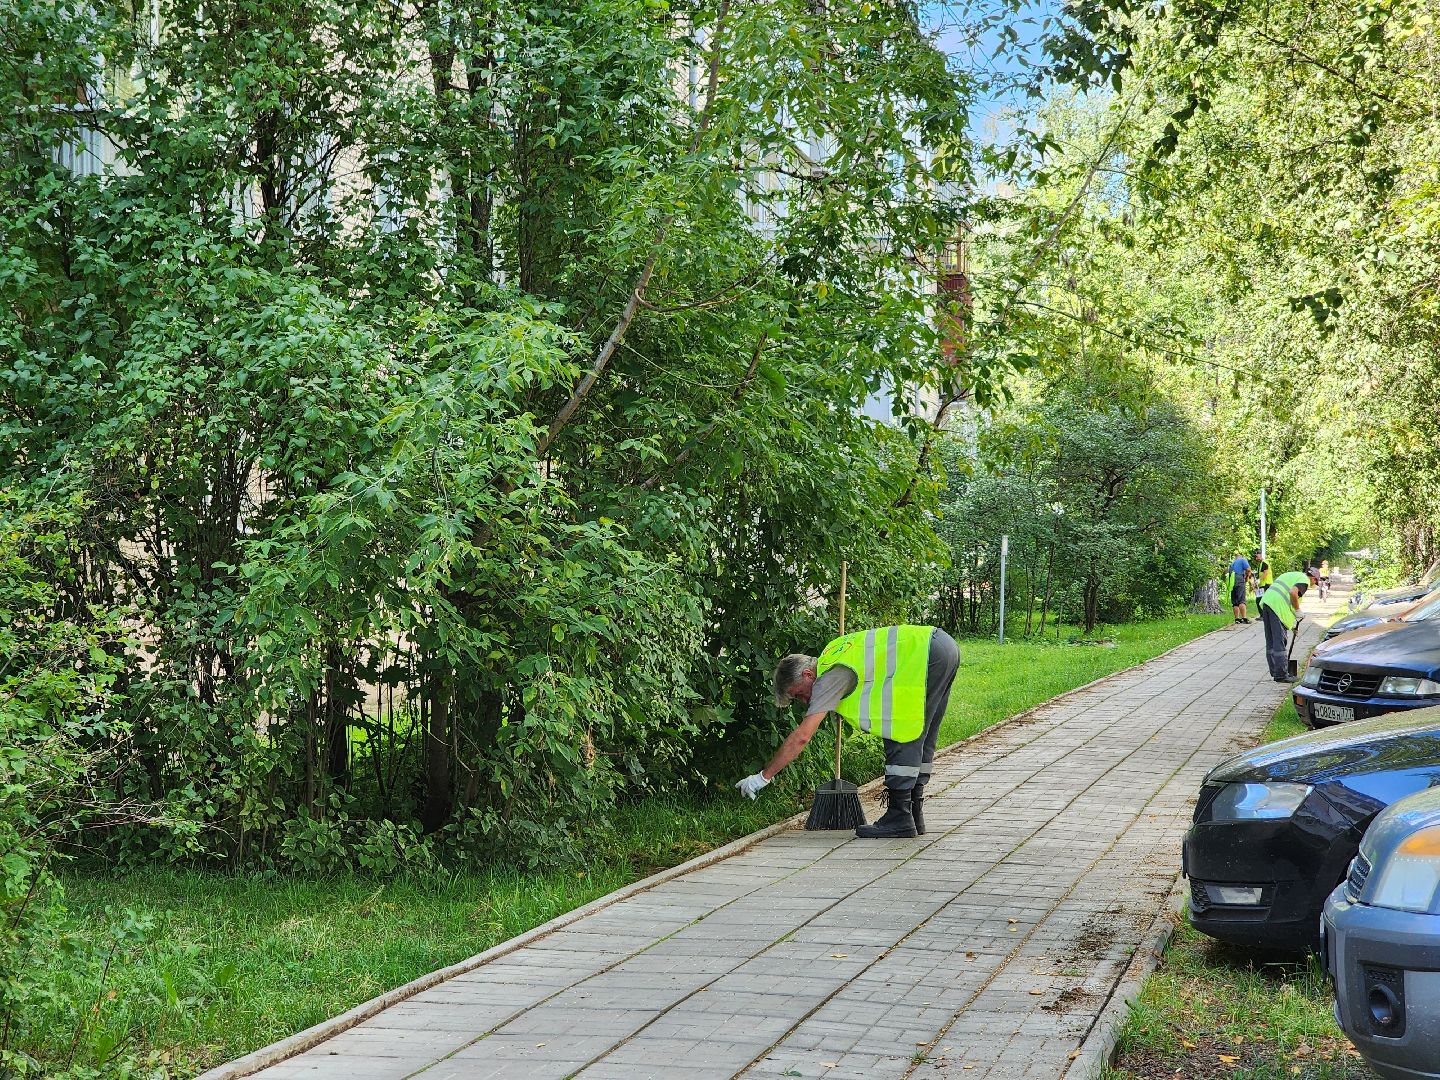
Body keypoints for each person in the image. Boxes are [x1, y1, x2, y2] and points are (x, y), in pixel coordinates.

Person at [736, 625, 961, 839]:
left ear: (807, 674)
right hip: (940, 646)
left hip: (926, 654)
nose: (804, 701)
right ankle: (913, 812)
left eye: (798, 695)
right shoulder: (833, 654)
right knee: (923, 731)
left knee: (901, 729)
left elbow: (802, 737)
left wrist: (762, 777)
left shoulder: (828, 677)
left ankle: (900, 817)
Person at [1259, 569, 1309, 682]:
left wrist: (1291, 627)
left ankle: (1275, 671)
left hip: (1267, 602)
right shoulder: (1305, 580)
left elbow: (1287, 602)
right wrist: (1298, 610)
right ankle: (1281, 675)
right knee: (1279, 641)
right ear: (1313, 579)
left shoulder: (1289, 575)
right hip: (1276, 607)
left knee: (1271, 641)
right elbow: (1292, 593)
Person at [1226, 553, 1253, 624]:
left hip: (1231, 581)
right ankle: (1244, 618)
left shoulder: (1232, 564)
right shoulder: (1243, 560)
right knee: (1241, 599)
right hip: (1239, 579)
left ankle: (1237, 619)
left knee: (1235, 602)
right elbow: (1248, 569)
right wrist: (1247, 577)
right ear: (1241, 556)